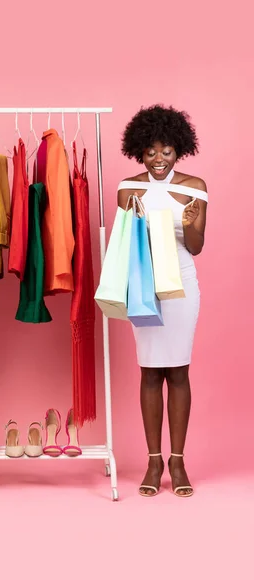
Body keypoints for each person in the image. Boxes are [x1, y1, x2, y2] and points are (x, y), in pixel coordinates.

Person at [118, 104, 208, 497]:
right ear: (139, 151)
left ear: (179, 151)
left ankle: (178, 460)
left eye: (166, 150)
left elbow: (197, 247)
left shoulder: (195, 187)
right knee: (150, 372)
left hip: (182, 286)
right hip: (143, 285)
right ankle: (154, 461)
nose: (158, 159)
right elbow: (127, 246)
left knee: (179, 372)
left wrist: (189, 224)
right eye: (151, 151)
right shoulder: (128, 187)